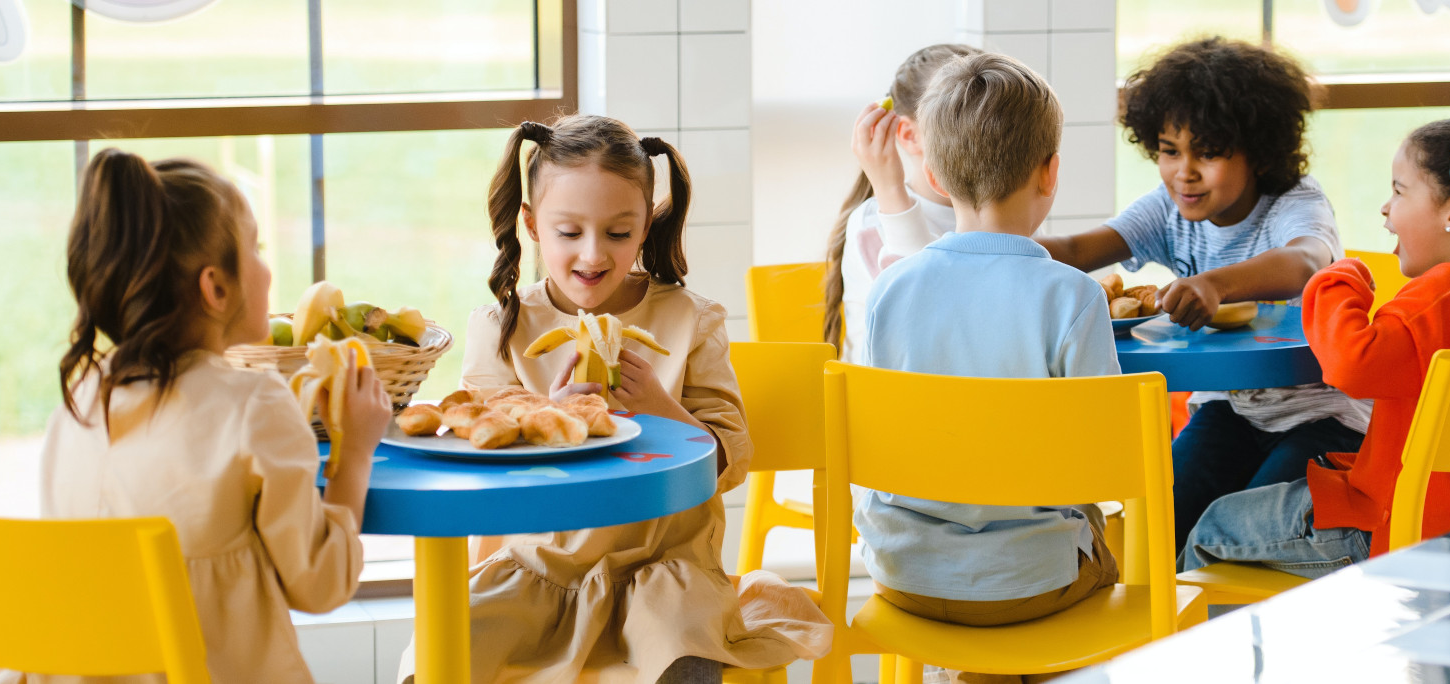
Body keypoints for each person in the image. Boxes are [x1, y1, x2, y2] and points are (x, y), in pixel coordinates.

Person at [404, 115, 829, 684]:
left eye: (618, 233)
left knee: (683, 655)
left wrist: (663, 410)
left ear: (646, 227)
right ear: (532, 225)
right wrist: (543, 418)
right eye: (569, 232)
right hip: (539, 570)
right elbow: (486, 470)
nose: (593, 254)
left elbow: (732, 461)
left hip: (665, 571)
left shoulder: (689, 320)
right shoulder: (501, 328)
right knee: (438, 654)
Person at [0, 149, 388, 684]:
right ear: (216, 288)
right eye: (257, 248)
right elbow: (319, 585)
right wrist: (355, 456)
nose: (269, 268)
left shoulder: (78, 403)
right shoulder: (255, 406)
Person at [1182, 90, 1450, 575]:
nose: (1386, 207)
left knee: (1214, 524)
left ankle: (1187, 651)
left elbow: (1353, 365)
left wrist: (1340, 277)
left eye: (1400, 192)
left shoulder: (1437, 299)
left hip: (1396, 523)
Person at [1033, 37, 1368, 546]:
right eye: (1169, 151)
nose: (1183, 172)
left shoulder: (1293, 201)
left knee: (1237, 530)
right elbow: (1080, 249)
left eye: (1207, 153)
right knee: (1159, 525)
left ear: (1257, 152)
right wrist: (992, 243)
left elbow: (1307, 261)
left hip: (1322, 418)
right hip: (1229, 409)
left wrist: (1217, 283)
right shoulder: (1168, 208)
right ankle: (1169, 623)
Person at [860, 52, 1120, 684]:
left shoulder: (891, 291)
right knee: (1091, 544)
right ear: (1050, 173)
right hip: (1031, 582)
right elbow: (1109, 462)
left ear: (937, 176)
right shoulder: (1072, 296)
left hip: (905, 575)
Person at [824, 43, 981, 363]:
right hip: (887, 402)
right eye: (959, 116)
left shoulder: (999, 209)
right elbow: (930, 315)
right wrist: (889, 188)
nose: (984, 131)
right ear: (909, 135)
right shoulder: (873, 222)